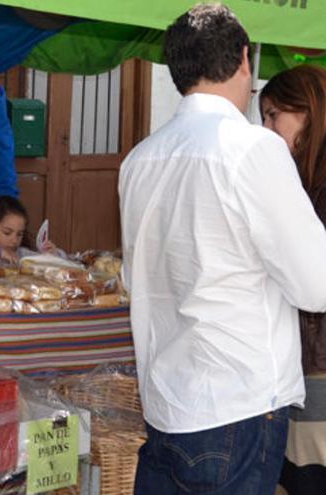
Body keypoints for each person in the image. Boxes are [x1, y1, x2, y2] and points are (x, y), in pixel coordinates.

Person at [118, 4, 326, 494]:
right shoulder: (255, 148)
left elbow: (136, 278)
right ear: (244, 61)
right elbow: (316, 283)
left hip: (166, 402)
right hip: (238, 404)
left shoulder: (139, 160)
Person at [260, 65, 326, 494]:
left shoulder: (317, 187)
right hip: (311, 361)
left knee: (307, 475)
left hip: (318, 364)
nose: (264, 128)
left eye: (271, 115)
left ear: (305, 113)